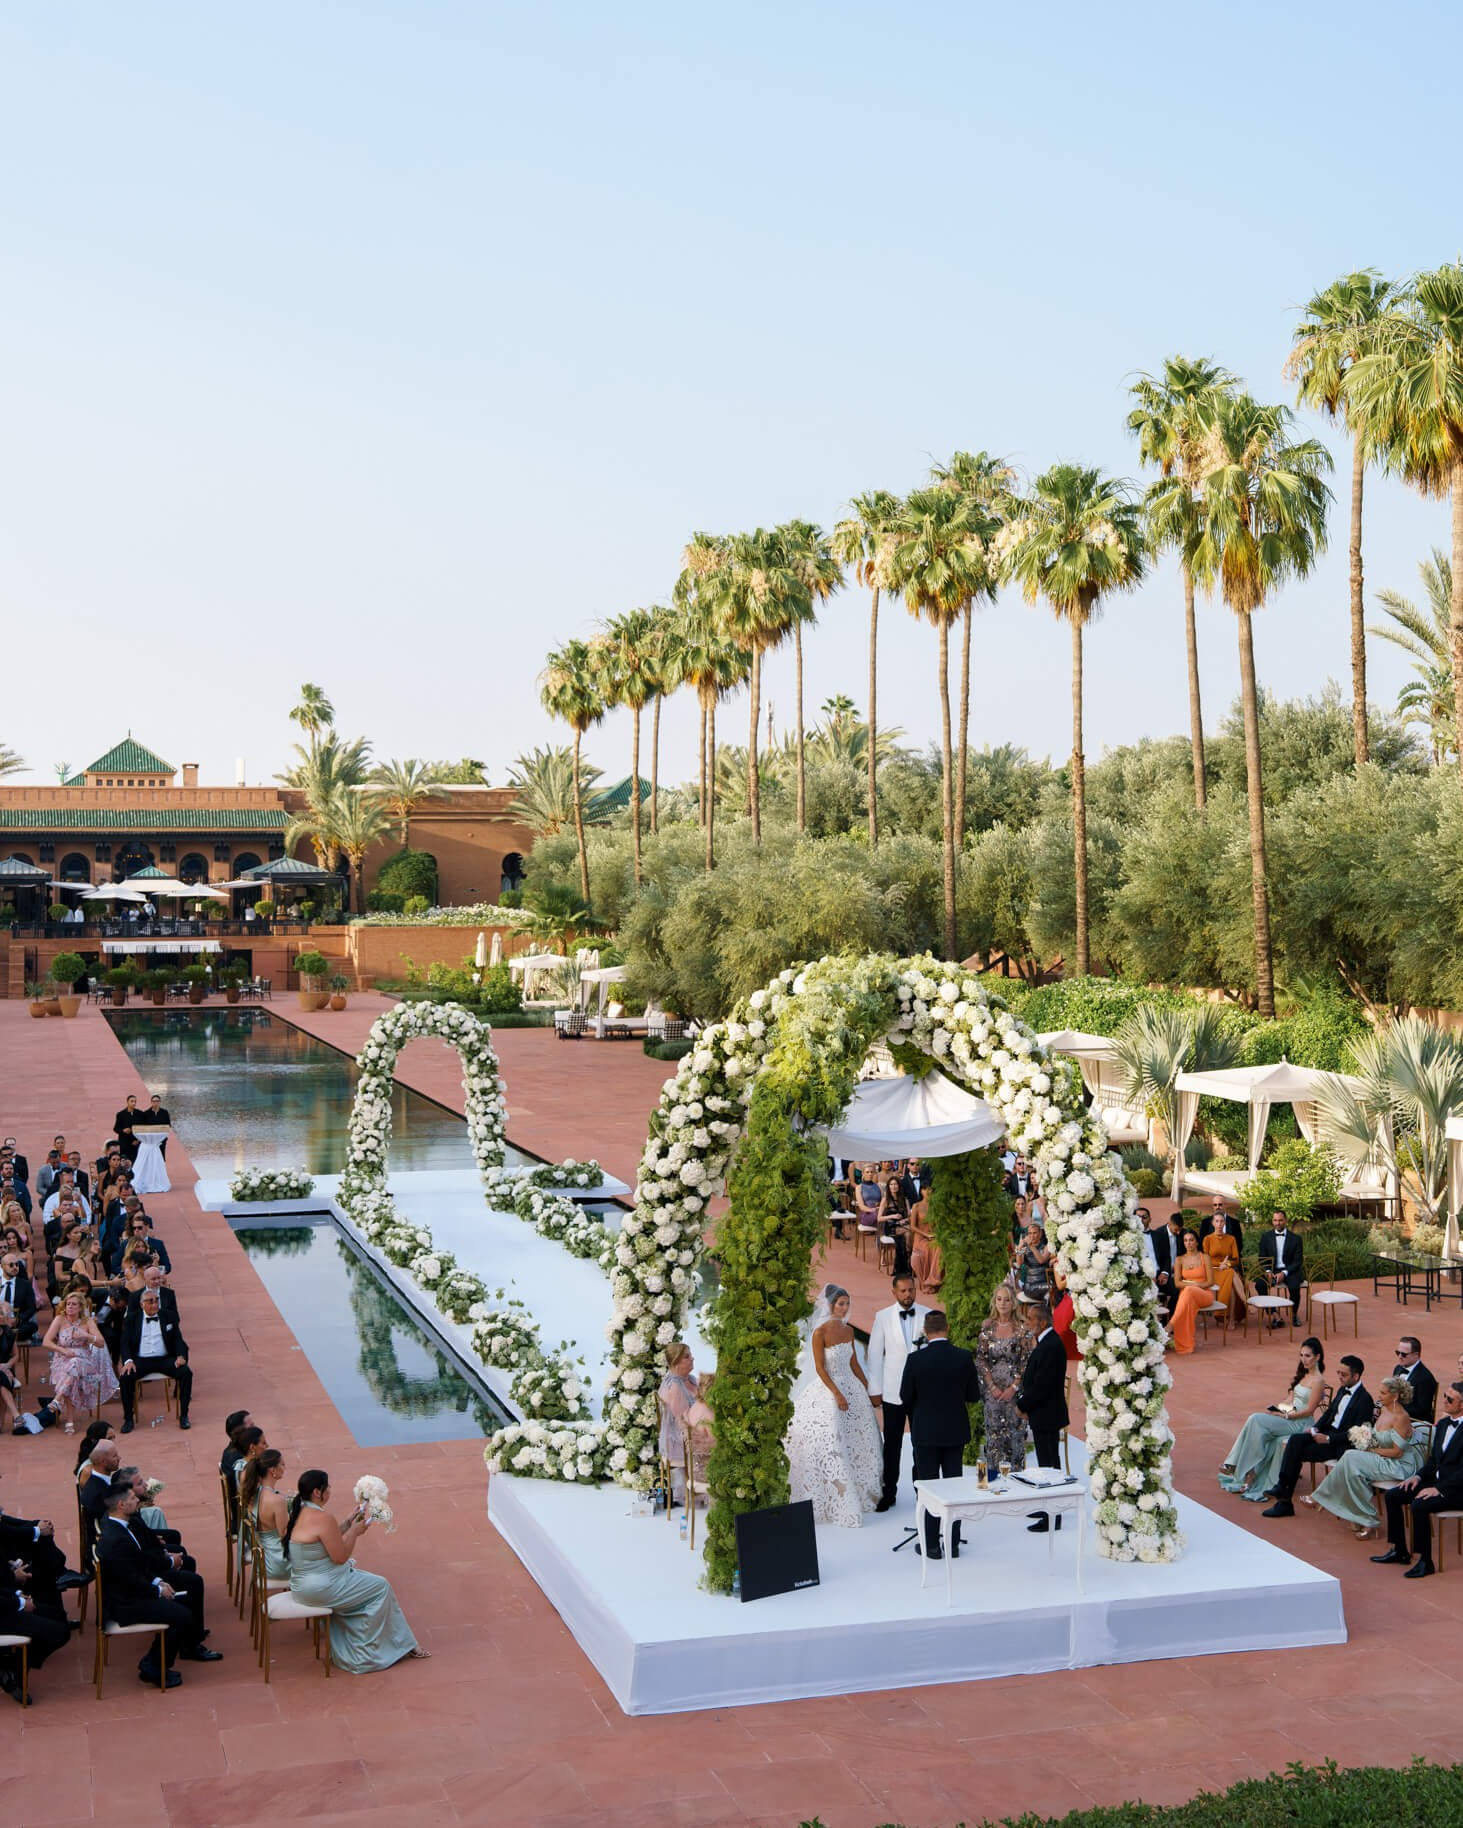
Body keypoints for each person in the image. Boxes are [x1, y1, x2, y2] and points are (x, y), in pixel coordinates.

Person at [282, 1469, 426, 1671]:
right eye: (328, 1486)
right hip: (321, 1589)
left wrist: (348, 1522)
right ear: (317, 1492)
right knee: (381, 1587)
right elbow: (340, 1557)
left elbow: (324, 1539)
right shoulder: (323, 1518)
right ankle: (364, 1655)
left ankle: (406, 1643)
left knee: (368, 1578)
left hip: (301, 1586)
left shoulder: (299, 1511)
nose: (330, 1489)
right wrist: (354, 1532)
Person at [95, 1482, 209, 1687]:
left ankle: (174, 1652)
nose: (137, 1500)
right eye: (132, 1498)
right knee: (180, 1616)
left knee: (186, 1601)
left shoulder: (120, 1527)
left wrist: (158, 1580)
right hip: (126, 1604)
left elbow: (137, 1568)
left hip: (134, 1591)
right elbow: (130, 1580)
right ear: (121, 1505)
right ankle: (153, 1666)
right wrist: (157, 1590)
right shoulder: (116, 1539)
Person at [786, 1285, 882, 1527]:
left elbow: (854, 1363)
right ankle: (837, 1492)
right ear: (829, 1305)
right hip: (829, 1388)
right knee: (831, 1438)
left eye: (847, 1303)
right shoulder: (819, 1333)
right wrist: (837, 1394)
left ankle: (863, 1491)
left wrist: (869, 1388)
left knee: (861, 1437)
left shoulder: (849, 1331)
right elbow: (819, 1368)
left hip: (853, 1388)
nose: (844, 1308)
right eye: (840, 1303)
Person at [899, 1308, 981, 1559]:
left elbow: (905, 1396)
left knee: (929, 1489)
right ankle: (953, 1544)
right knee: (954, 1488)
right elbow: (973, 1396)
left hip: (925, 1432)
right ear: (947, 1329)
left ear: (926, 1331)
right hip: (954, 1431)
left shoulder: (915, 1360)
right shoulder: (963, 1357)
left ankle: (932, 1545)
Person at [1305, 1377, 1426, 1538]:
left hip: (1398, 1464)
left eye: (1383, 1393)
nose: (1379, 1396)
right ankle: (1366, 1521)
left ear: (1395, 1396)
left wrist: (1371, 1449)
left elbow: (1397, 1452)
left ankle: (1320, 1498)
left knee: (1350, 1457)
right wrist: (1364, 1439)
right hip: (1382, 1457)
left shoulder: (1401, 1417)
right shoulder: (1384, 1410)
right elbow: (1379, 1438)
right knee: (1353, 1473)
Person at [1261, 1355, 1376, 1517]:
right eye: (1338, 1373)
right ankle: (1282, 1488)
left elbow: (1358, 1433)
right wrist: (1315, 1429)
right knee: (1295, 1440)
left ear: (1356, 1376)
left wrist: (1328, 1439)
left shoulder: (1365, 1400)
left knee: (1295, 1453)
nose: (1339, 1377)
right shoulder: (1343, 1389)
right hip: (1326, 1434)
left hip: (1339, 1445)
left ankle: (1284, 1500)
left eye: (1344, 1375)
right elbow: (1329, 1413)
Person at [1219, 1337, 1328, 1501]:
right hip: (1288, 1418)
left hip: (1300, 1424)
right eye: (1301, 1355)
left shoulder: (1319, 1381)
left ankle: (1238, 1465)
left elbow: (1309, 1411)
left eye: (1308, 1356)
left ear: (1317, 1357)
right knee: (1258, 1426)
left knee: (1255, 1419)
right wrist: (1280, 1408)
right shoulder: (1303, 1376)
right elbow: (1290, 1400)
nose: (1303, 1359)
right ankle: (1247, 1469)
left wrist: (1286, 1415)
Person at [1373, 1381, 1463, 1578]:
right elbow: (1433, 1460)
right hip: (1436, 1481)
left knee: (1419, 1505)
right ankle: (1399, 1550)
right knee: (1394, 1495)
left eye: (1450, 1399)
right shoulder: (1444, 1424)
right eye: (1445, 1396)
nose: (1444, 1401)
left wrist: (1440, 1490)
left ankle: (1425, 1560)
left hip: (1456, 1490)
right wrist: (1418, 1476)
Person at [866, 1274, 932, 1512]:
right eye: (903, 1291)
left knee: (921, 1444)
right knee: (892, 1445)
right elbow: (873, 1355)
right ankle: (888, 1492)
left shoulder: (928, 1314)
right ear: (894, 1292)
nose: (908, 1295)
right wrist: (875, 1390)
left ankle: (922, 1492)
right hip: (893, 1392)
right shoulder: (882, 1317)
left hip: (921, 1393)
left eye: (911, 1290)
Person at [1016, 1301, 1070, 1532]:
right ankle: (1047, 1506)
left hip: (1046, 1413)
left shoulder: (1050, 1346)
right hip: (1043, 1413)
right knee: (1046, 1463)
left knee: (1050, 1466)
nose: (1027, 1323)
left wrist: (1022, 1405)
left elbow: (1042, 1385)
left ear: (1043, 1322)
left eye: (1031, 1319)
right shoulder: (1047, 1342)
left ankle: (1053, 1516)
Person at [42, 1290, 119, 1433]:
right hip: (63, 1361)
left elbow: (101, 1343)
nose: (70, 1307)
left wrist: (86, 1335)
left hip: (86, 1363)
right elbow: (46, 1341)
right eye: (68, 1304)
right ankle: (68, 1420)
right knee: (72, 1373)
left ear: (81, 1307)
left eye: (74, 1304)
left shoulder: (87, 1322)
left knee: (76, 1363)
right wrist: (62, 1350)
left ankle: (58, 1401)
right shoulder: (59, 1319)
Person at [118, 1290, 192, 1433]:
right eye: (150, 1301)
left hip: (164, 1359)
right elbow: (125, 1342)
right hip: (141, 1360)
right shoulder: (132, 1319)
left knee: (186, 1373)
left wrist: (180, 1356)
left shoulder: (168, 1316)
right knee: (126, 1377)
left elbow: (178, 1339)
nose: (154, 1303)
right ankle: (128, 1419)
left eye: (156, 1300)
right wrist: (128, 1360)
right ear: (141, 1304)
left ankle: (184, 1416)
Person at [976, 1284, 1032, 1472]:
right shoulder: (987, 1326)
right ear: (994, 1301)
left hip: (1015, 1393)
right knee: (994, 1438)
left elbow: (1026, 1361)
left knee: (1015, 1438)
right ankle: (992, 1481)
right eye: (999, 1299)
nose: (1003, 1303)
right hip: (992, 1394)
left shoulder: (1022, 1328)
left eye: (1007, 1299)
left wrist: (1014, 1387)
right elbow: (981, 1359)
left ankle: (1016, 1482)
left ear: (1013, 1303)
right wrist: (992, 1387)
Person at [657, 1342, 699, 1503]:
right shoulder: (674, 1386)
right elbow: (684, 1421)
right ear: (675, 1361)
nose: (692, 1359)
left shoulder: (690, 1380)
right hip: (680, 1438)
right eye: (687, 1357)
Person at [1166, 1229, 1221, 1354]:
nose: (1188, 1243)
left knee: (1188, 1291)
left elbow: (1211, 1281)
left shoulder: (1205, 1257)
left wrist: (1197, 1285)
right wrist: (1190, 1286)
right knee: (1187, 1297)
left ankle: (1170, 1326)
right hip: (1187, 1295)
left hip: (1204, 1294)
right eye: (1185, 1240)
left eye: (1191, 1240)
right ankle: (1184, 1347)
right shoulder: (1179, 1259)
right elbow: (1177, 1283)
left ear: (1196, 1242)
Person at [1254, 1209, 1305, 1327]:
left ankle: (1294, 1315)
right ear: (1272, 1221)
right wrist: (1268, 1271)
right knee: (1259, 1284)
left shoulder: (1296, 1239)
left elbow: (1298, 1261)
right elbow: (1262, 1258)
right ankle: (1275, 1315)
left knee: (1294, 1287)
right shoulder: (1266, 1237)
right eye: (1275, 1220)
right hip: (1272, 1271)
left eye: (1280, 1220)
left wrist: (1284, 1273)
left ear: (1285, 1221)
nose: (1278, 1223)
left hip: (1290, 1271)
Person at [1201, 1210, 1243, 1323]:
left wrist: (1227, 1264)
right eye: (1217, 1221)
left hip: (1226, 1270)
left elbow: (1236, 1259)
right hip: (1213, 1271)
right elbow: (1205, 1260)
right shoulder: (1207, 1239)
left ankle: (1230, 1317)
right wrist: (1220, 1265)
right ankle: (1244, 1301)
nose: (1219, 1224)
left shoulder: (1231, 1239)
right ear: (1213, 1223)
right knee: (1232, 1274)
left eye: (1221, 1221)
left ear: (1224, 1223)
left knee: (1230, 1275)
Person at [1393, 1335, 1438, 1423]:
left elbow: (1422, 1409)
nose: (1400, 1356)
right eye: (1398, 1353)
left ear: (1416, 1355)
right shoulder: (1398, 1368)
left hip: (1415, 1424)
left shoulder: (1425, 1378)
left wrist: (1395, 1410)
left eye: (1404, 1354)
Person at [908, 1189, 943, 1298]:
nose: (928, 1192)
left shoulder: (937, 1206)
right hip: (920, 1236)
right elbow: (913, 1226)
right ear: (921, 1191)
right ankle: (927, 1282)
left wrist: (935, 1234)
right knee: (927, 1248)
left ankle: (933, 1281)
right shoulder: (916, 1206)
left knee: (939, 1247)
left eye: (931, 1189)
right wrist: (926, 1235)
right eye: (925, 1189)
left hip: (934, 1235)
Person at [876, 1176, 912, 1278]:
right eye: (891, 1184)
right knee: (909, 1233)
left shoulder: (904, 1200)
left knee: (909, 1234)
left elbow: (909, 1215)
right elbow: (879, 1218)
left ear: (899, 1186)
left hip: (902, 1224)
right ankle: (907, 1265)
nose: (893, 1186)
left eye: (895, 1184)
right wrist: (892, 1216)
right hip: (890, 1226)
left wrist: (904, 1220)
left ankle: (907, 1263)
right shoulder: (885, 1200)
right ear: (888, 1186)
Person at [0, 1250, 37, 1344]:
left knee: (32, 1327)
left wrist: (18, 1319)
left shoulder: (25, 1285)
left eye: (17, 1265)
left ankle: (7, 1337)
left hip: (17, 1324)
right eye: (11, 1265)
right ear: (2, 1266)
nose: (15, 1267)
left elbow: (32, 1307)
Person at [1016, 1223, 1053, 1307]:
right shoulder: (1025, 1248)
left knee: (1052, 1287)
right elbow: (1019, 1263)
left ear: (1040, 1234)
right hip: (1030, 1286)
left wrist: (1031, 1246)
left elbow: (1041, 1260)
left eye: (1035, 1233)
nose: (1032, 1236)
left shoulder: (1046, 1247)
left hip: (1044, 1282)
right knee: (1051, 1288)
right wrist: (1020, 1247)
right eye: (1030, 1233)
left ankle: (1045, 1310)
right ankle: (1045, 1308)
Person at [113, 1096, 141, 1163]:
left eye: (135, 1101)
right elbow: (116, 1128)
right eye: (132, 1101)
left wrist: (138, 1140)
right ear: (127, 1102)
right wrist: (123, 1130)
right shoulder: (120, 1114)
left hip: (136, 1143)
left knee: (136, 1162)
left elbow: (143, 1128)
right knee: (124, 1163)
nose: (134, 1103)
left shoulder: (140, 1114)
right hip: (125, 1144)